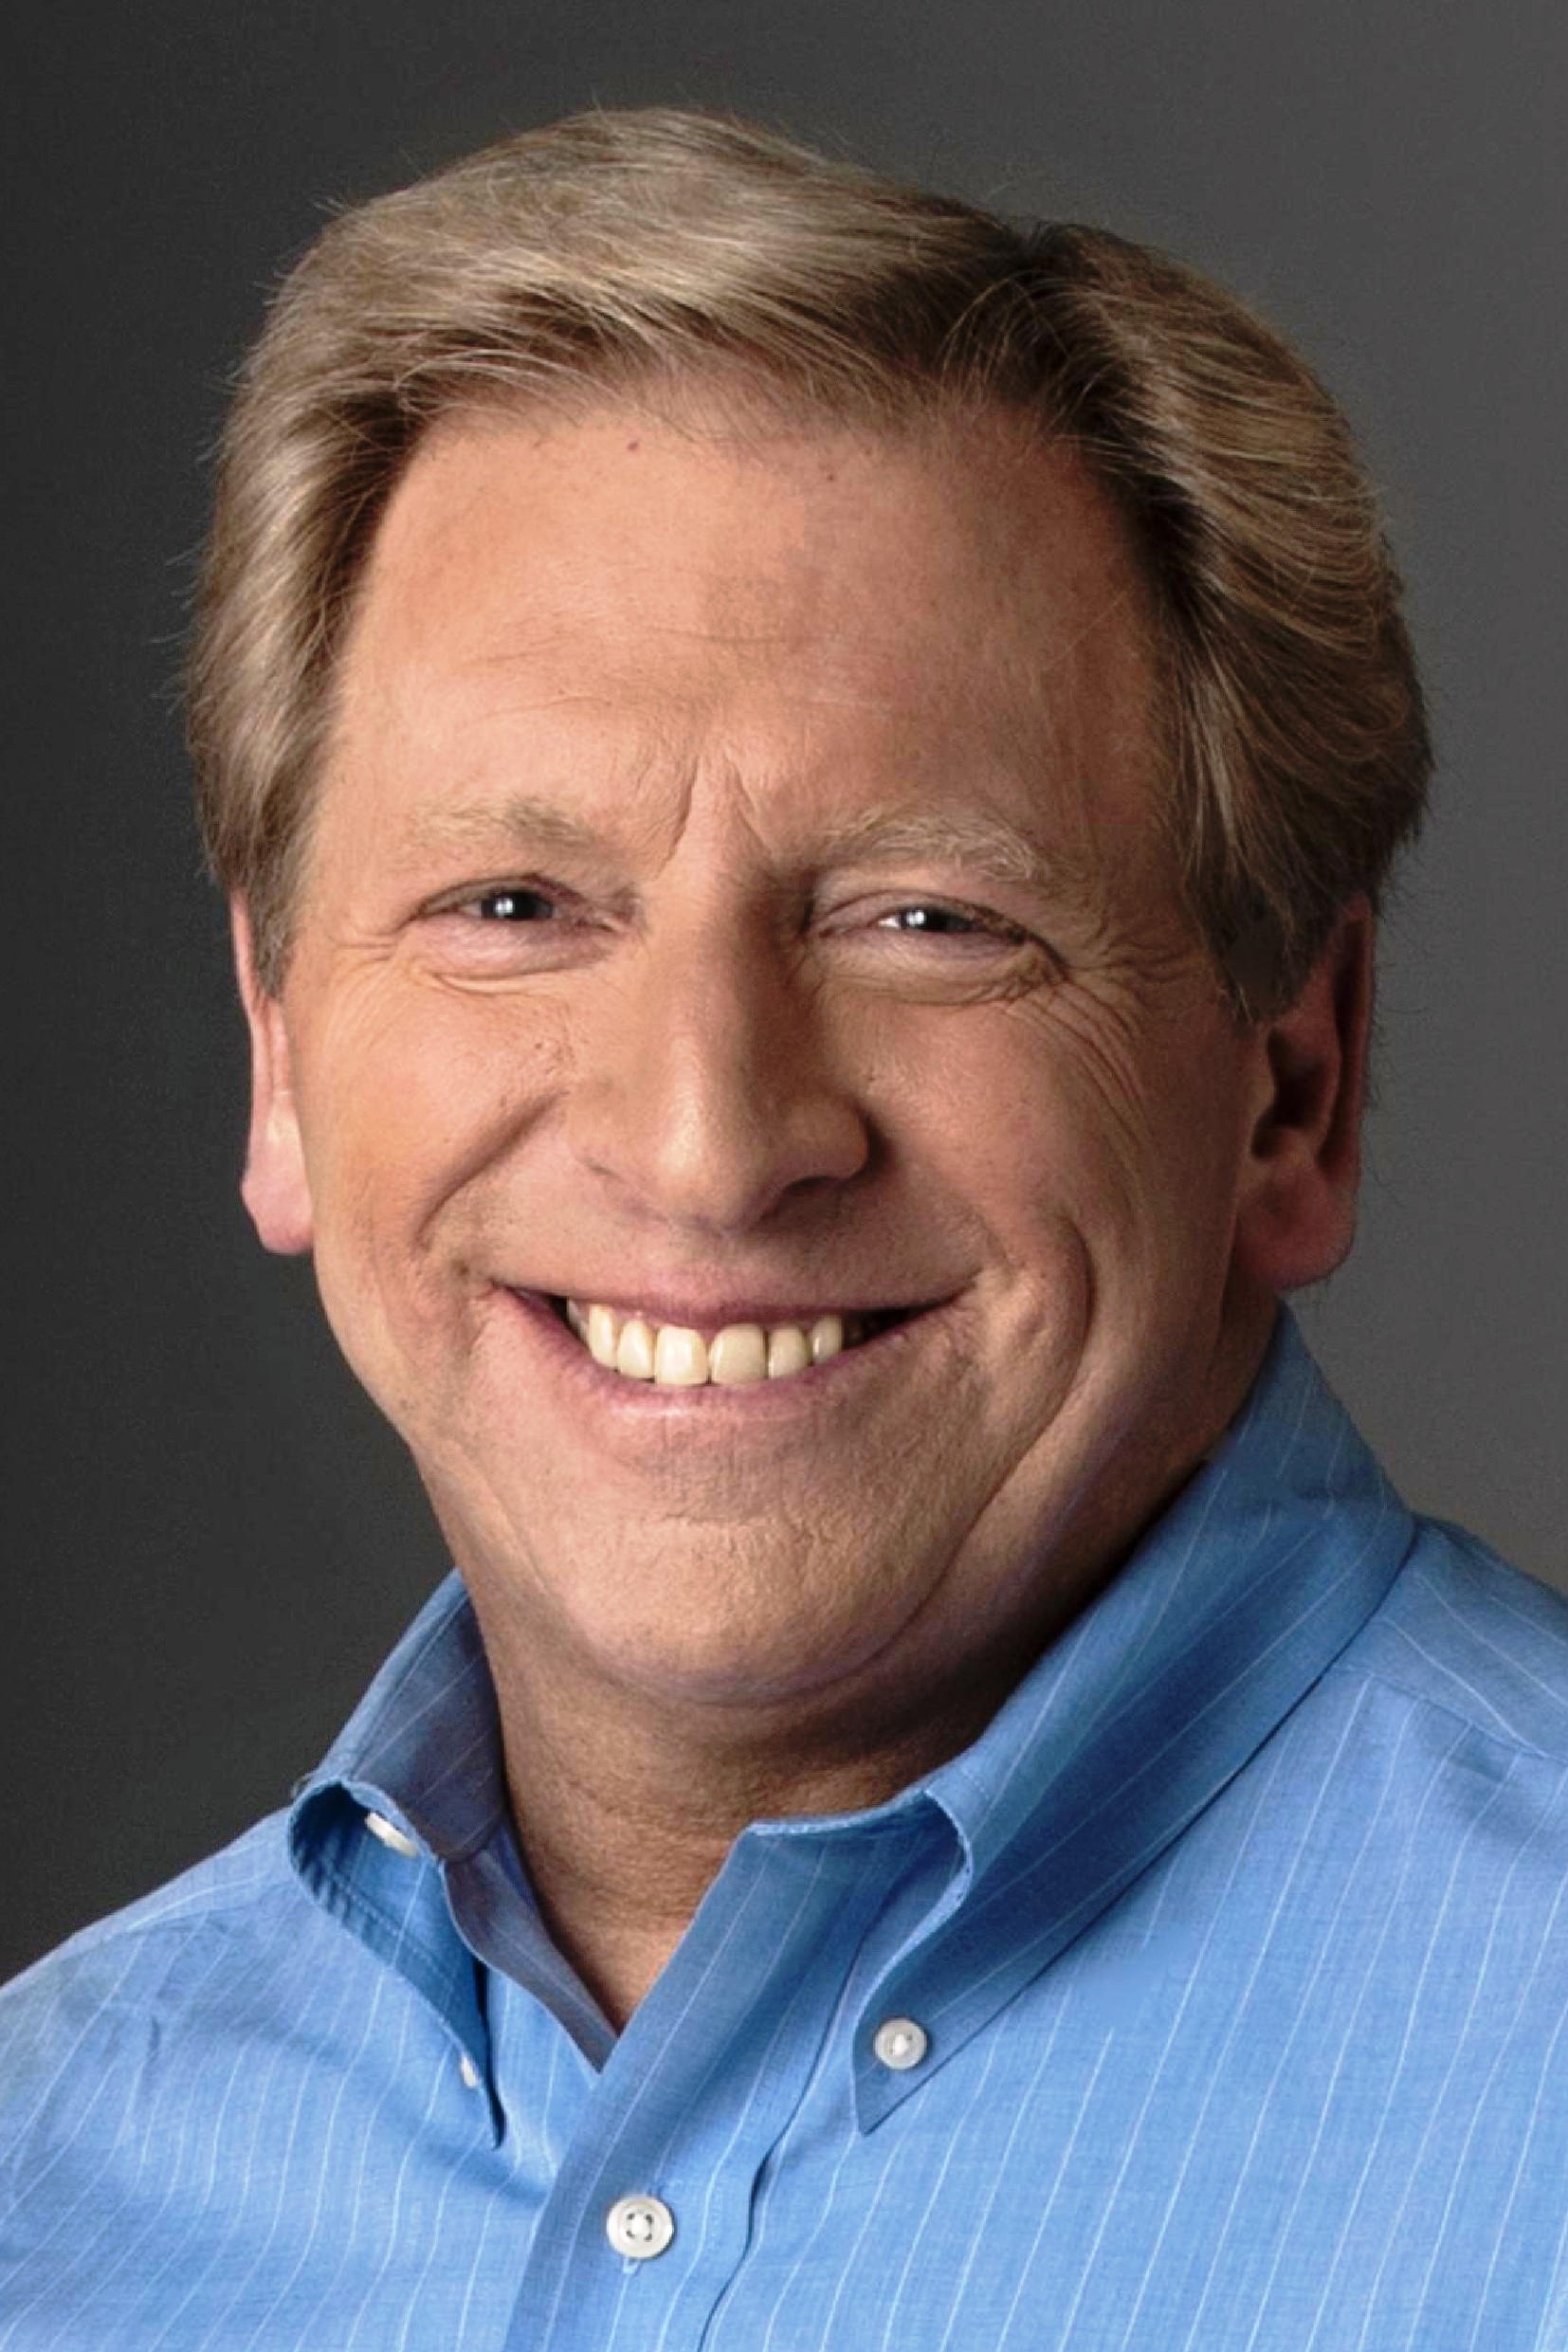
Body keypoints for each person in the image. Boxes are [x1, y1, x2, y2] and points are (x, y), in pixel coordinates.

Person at [3, 105, 1566, 2352]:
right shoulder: (47, 2172)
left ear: (1286, 1085)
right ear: (278, 1054)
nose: (707, 1140)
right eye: (514, 904)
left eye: (927, 917)